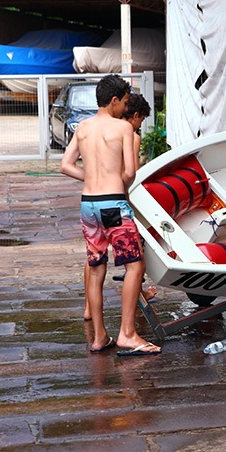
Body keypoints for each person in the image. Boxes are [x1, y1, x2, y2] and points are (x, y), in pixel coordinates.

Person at [61, 74, 161, 356]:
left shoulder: (83, 127)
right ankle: (127, 334)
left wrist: (90, 177)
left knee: (95, 269)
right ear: (115, 100)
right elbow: (130, 172)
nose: (126, 108)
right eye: (126, 102)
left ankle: (99, 337)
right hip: (113, 204)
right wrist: (115, 184)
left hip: (88, 206)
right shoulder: (122, 129)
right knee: (135, 266)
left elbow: (66, 165)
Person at [81, 92, 156, 321]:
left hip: (90, 201)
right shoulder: (128, 134)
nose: (140, 126)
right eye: (141, 121)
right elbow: (128, 173)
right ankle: (129, 323)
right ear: (134, 115)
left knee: (95, 258)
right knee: (135, 260)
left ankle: (88, 308)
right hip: (115, 203)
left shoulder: (96, 128)